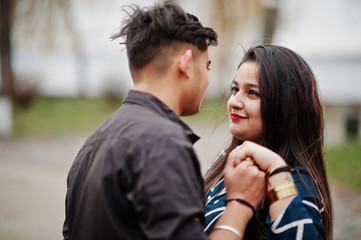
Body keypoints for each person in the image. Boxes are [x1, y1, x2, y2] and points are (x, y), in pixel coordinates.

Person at [62, 2, 266, 240]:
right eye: (206, 66)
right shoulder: (163, 144)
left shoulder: (94, 141)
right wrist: (240, 204)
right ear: (187, 63)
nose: (207, 80)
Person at [203, 45, 334, 239]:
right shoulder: (227, 158)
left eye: (252, 93)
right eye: (235, 89)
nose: (234, 102)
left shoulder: (294, 184)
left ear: (284, 108)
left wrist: (276, 169)